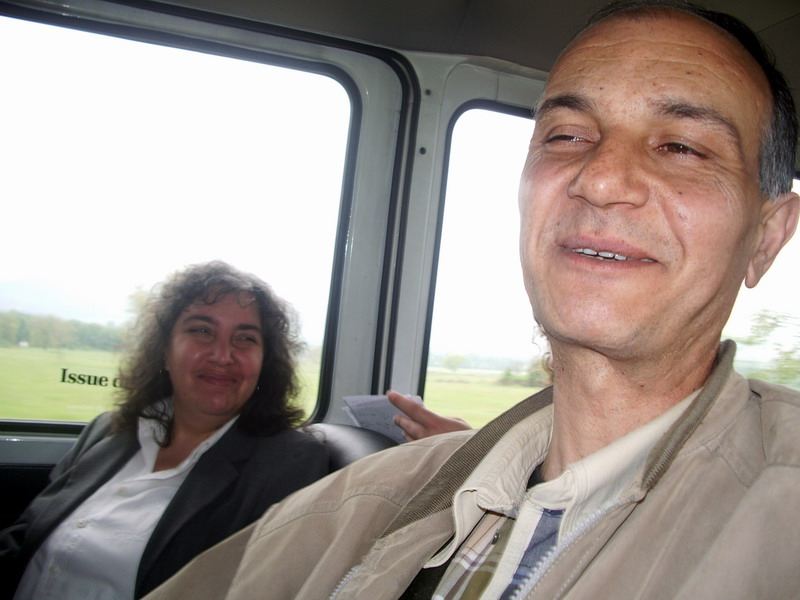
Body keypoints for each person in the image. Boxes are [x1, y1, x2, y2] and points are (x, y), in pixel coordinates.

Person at [143, 2, 800, 598]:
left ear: (767, 237)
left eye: (682, 147)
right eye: (567, 135)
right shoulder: (358, 507)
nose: (599, 178)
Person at [0, 261, 330, 599]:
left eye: (245, 338)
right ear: (164, 350)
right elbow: (25, 536)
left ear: (265, 361)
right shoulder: (107, 430)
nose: (222, 355)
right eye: (202, 331)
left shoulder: (288, 463)